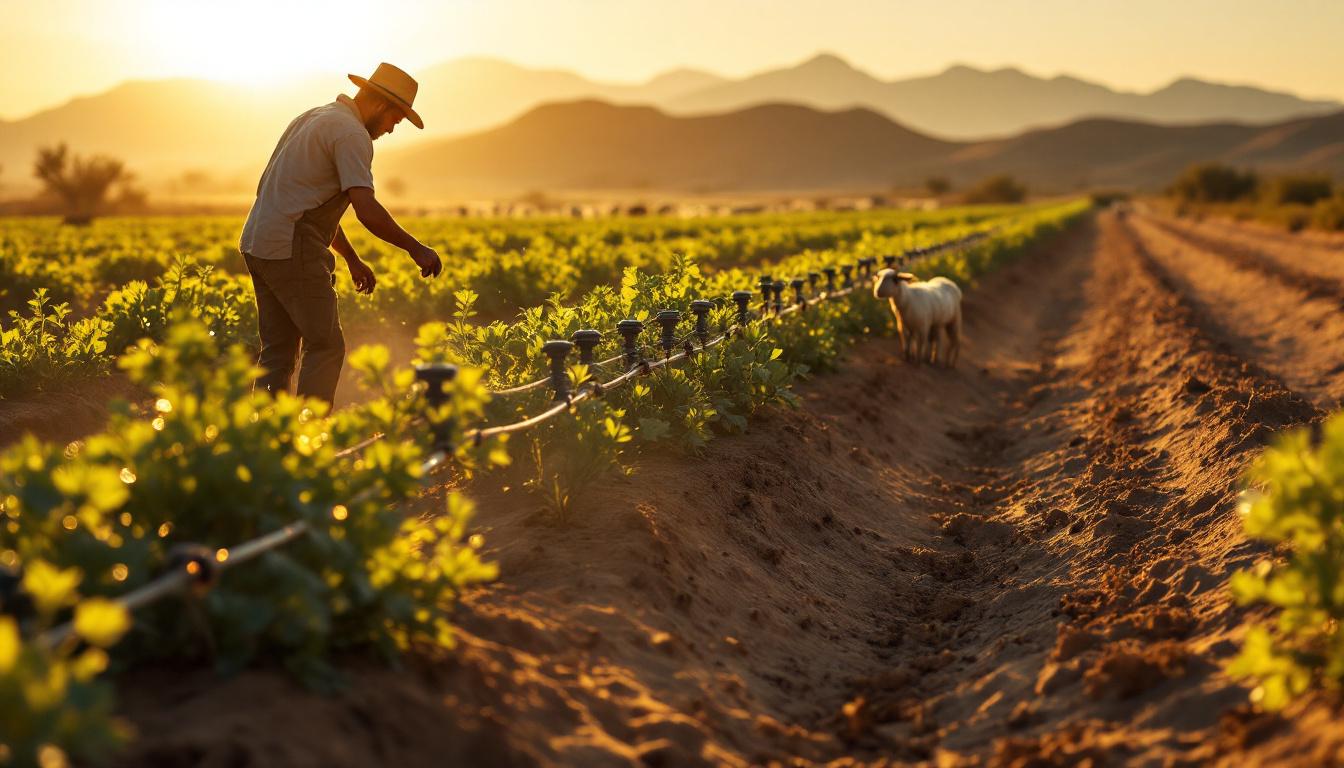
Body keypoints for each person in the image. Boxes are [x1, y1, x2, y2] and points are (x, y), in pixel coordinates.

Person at [238, 62, 442, 405]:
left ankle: (269, 442)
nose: (392, 130)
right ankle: (309, 438)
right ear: (380, 105)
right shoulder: (351, 134)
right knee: (326, 345)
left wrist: (351, 258)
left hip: (259, 242)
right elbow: (365, 208)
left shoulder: (314, 117)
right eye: (395, 119)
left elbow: (309, 203)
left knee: (278, 352)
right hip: (291, 246)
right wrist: (415, 247)